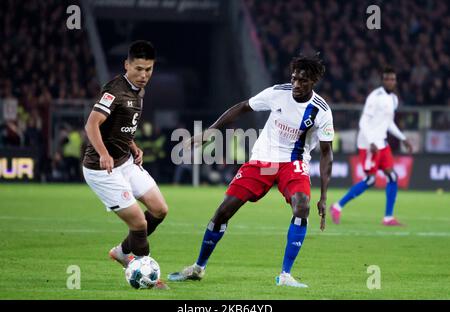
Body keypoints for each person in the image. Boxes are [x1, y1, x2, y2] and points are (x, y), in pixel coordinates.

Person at [168, 54, 334, 288]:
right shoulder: (277, 92)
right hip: (262, 161)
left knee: (302, 205)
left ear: (314, 81)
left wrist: (324, 197)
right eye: (295, 78)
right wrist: (210, 131)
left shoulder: (321, 111)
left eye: (303, 81)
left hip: (292, 164)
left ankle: (285, 275)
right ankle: (197, 268)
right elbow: (242, 107)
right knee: (223, 211)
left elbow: (327, 153)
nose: (296, 84)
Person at [82, 40, 169, 289]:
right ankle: (142, 270)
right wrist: (103, 153)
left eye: (149, 69)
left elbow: (122, 126)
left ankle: (122, 251)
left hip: (126, 162)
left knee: (159, 210)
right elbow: (92, 124)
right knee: (139, 224)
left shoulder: (138, 91)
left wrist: (133, 146)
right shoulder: (114, 90)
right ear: (126, 65)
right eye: (139, 69)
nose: (144, 75)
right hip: (102, 169)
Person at [330, 66, 413, 226]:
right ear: (383, 80)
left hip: (381, 142)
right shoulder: (375, 97)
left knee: (393, 177)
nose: (390, 81)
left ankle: (388, 218)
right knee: (370, 180)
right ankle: (337, 206)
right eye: (387, 78)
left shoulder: (393, 99)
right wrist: (371, 142)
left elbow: (388, 123)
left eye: (393, 79)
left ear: (395, 81)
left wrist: (403, 138)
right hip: (369, 143)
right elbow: (363, 121)